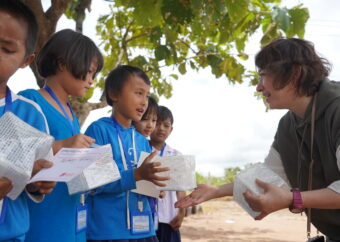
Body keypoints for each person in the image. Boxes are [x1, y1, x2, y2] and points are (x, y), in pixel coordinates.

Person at [175, 38, 340, 241]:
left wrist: (293, 198)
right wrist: (217, 190)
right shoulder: (288, 125)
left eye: (263, 76)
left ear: (295, 73)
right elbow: (269, 176)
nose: (258, 88)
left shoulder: (337, 109)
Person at [19, 29, 103, 242]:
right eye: (89, 72)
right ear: (62, 63)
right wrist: (61, 145)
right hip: (42, 224)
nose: (91, 81)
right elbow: (17, 159)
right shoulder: (30, 101)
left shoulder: (72, 115)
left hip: (72, 221)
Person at [84, 65, 170, 242]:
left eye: (146, 95)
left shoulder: (141, 141)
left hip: (144, 231)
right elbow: (97, 182)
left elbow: (143, 182)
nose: (144, 101)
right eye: (138, 93)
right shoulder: (98, 130)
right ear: (114, 94)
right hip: (108, 232)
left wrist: (155, 189)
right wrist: (137, 174)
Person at [0, 0, 56, 240]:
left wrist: (36, 183)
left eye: (6, 49)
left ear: (25, 61)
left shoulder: (30, 114)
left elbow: (40, 177)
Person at [150, 106, 186, 242]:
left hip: (169, 218)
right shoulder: (141, 150)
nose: (161, 128)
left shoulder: (177, 156)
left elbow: (181, 188)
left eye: (166, 125)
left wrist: (181, 212)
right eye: (157, 123)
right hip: (146, 218)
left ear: (171, 130)